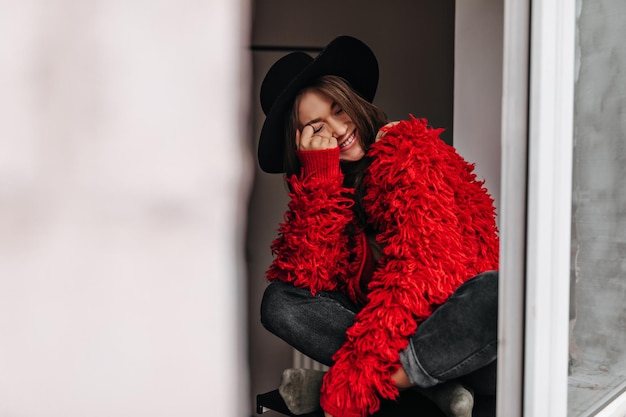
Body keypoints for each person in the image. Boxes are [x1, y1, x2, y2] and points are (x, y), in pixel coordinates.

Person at [257, 36, 499, 417]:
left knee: (496, 292)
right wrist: (320, 180)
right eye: (318, 126)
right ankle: (433, 389)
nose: (338, 129)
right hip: (390, 336)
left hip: (455, 340)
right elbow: (309, 278)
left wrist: (362, 376)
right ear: (303, 143)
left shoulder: (406, 149)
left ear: (354, 100)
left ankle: (399, 381)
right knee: (280, 302)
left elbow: (424, 272)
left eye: (339, 109)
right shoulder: (337, 183)